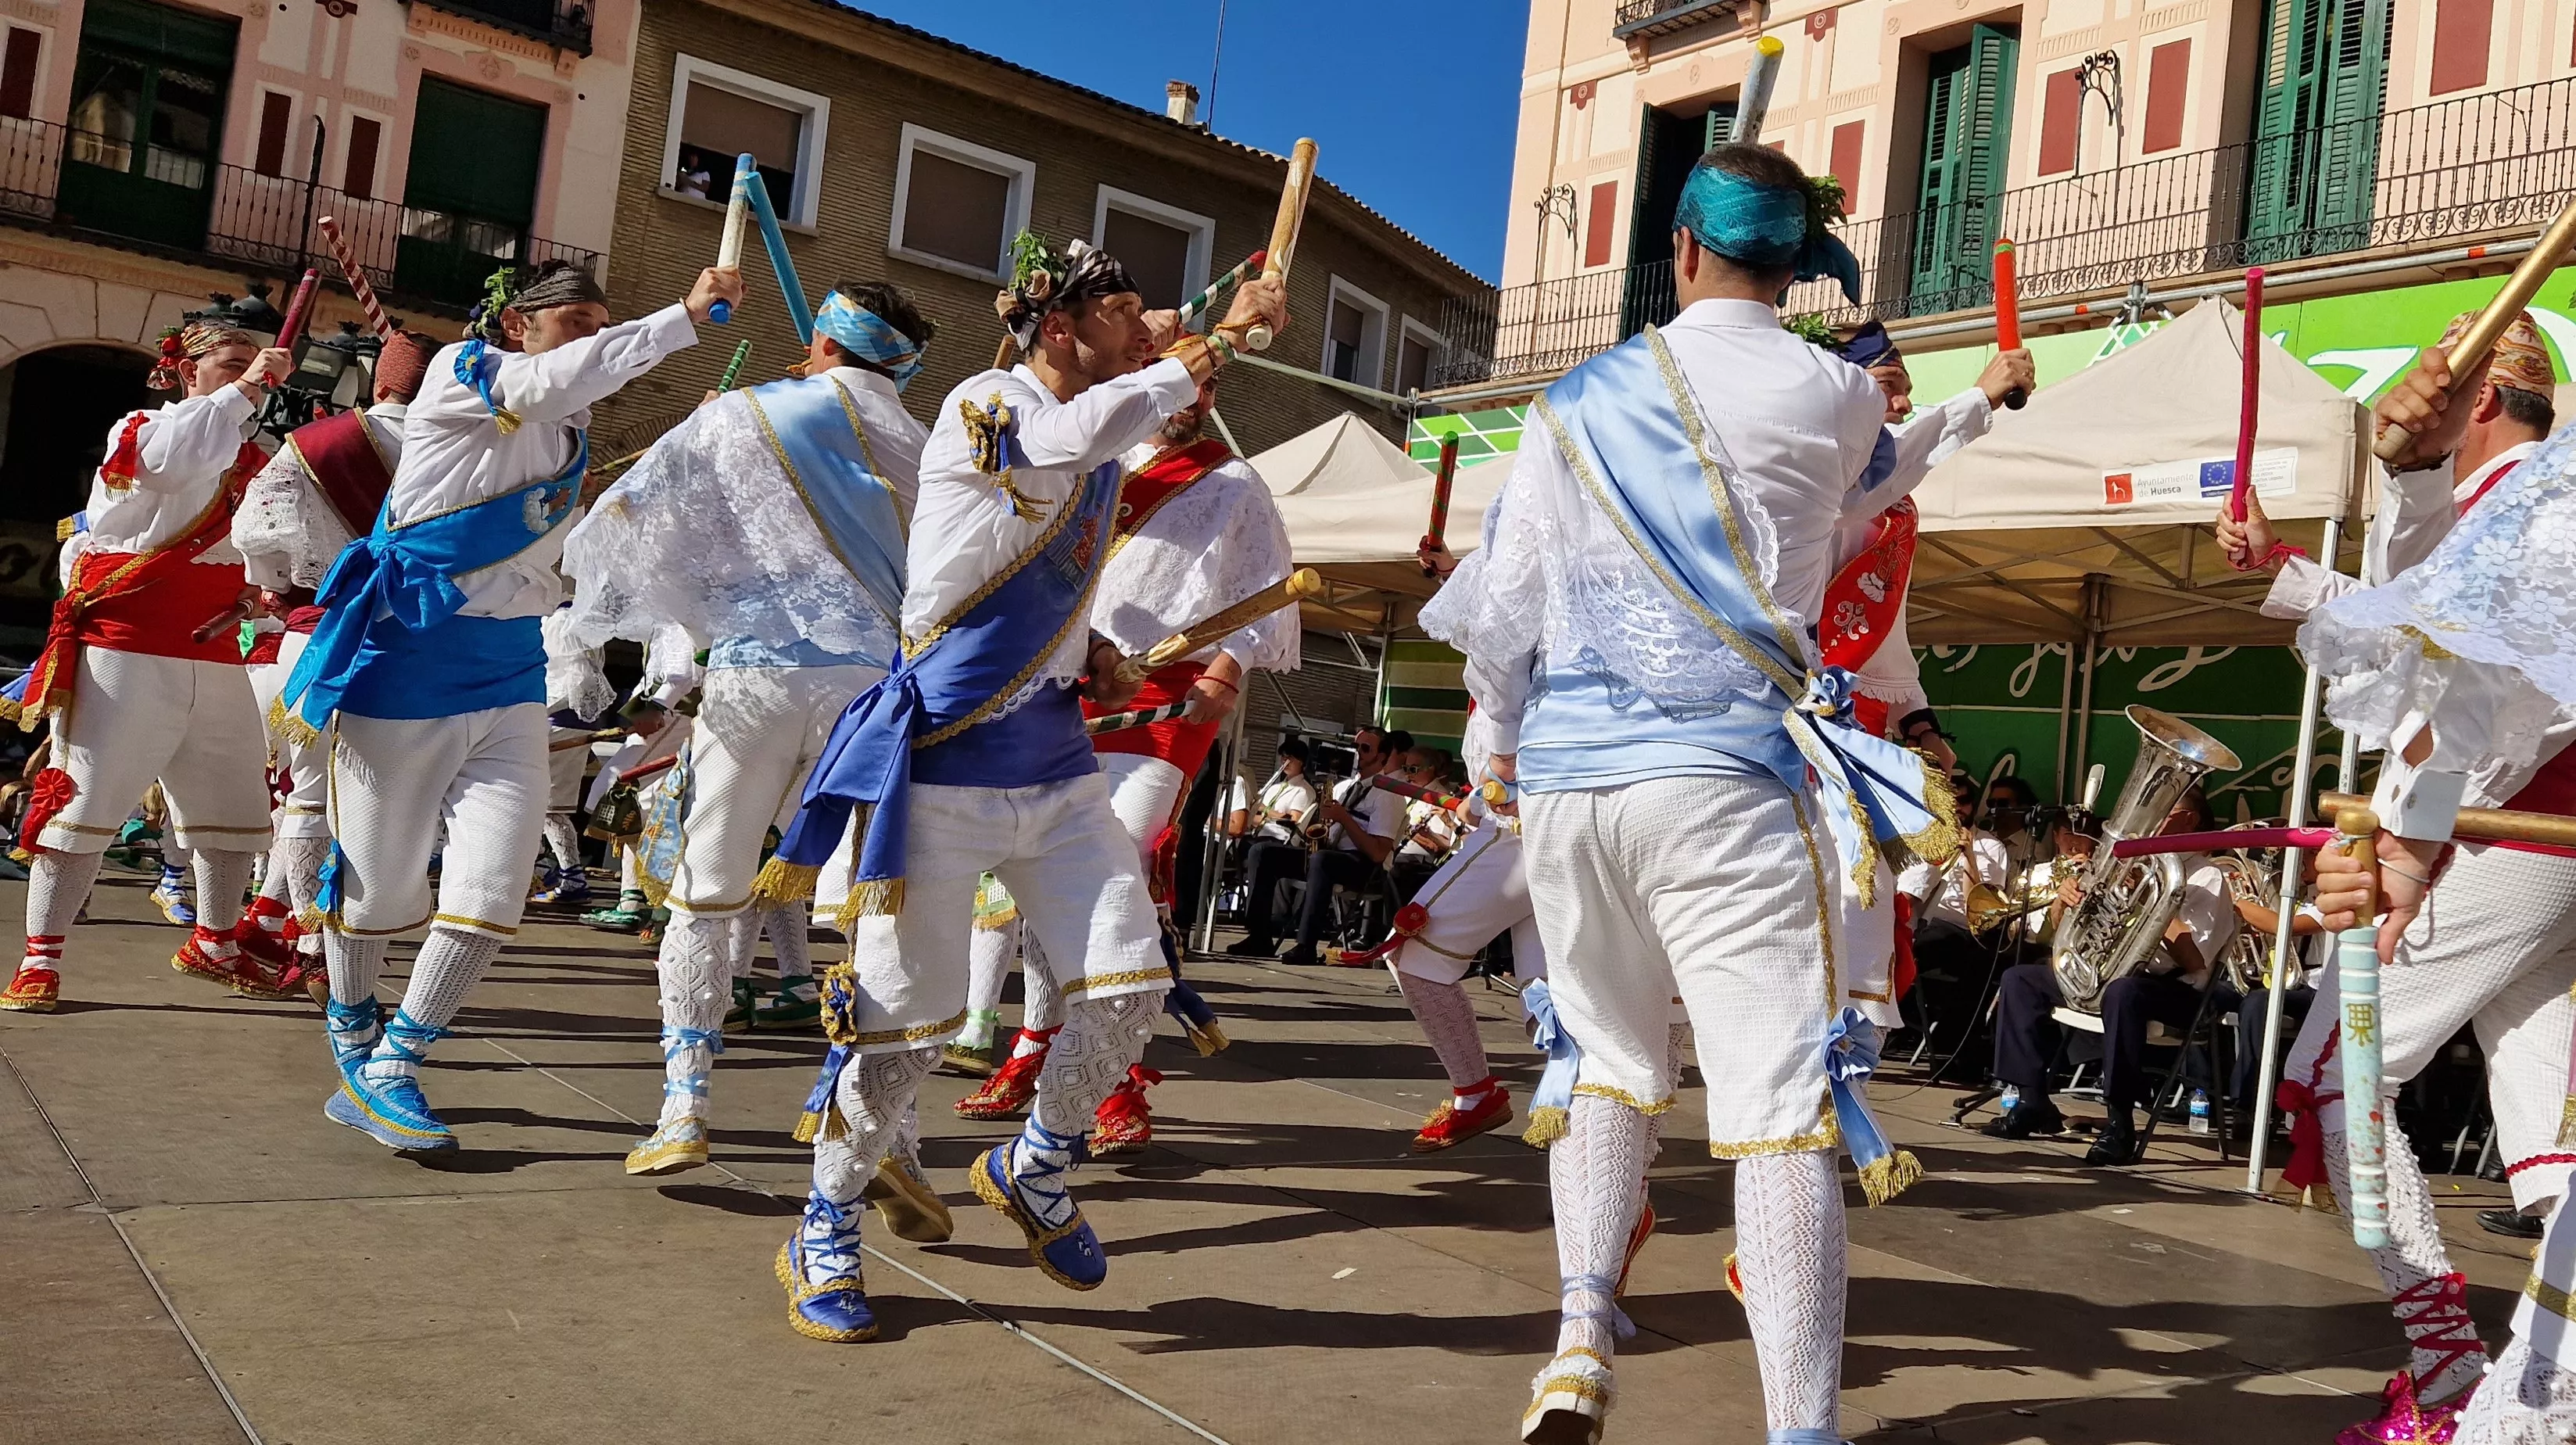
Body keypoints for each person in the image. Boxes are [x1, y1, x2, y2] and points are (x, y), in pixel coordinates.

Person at [1420, 142, 2026, 1445]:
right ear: (1798, 265)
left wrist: (1495, 758)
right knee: (1776, 1110)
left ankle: (1581, 1333)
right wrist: (1972, 404)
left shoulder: (1573, 402)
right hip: (1729, 786)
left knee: (1604, 1065)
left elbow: (1502, 608)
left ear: (1681, 250)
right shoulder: (1836, 398)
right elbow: (1873, 492)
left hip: (1575, 790)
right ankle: (1797, 1429)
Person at [761, 231, 1285, 1341]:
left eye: (1151, 319)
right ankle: (823, 1219)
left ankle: (1037, 1165)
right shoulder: (986, 407)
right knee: (901, 1035)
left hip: (1053, 766)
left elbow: (1014, 571)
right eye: (1124, 316)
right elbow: (1063, 442)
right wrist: (1217, 341)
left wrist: (1085, 647)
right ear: (1059, 328)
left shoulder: (1090, 455)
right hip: (944, 765)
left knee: (1130, 985)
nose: (1144, 331)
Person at [272, 257, 739, 1150]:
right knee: (376, 887)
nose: (594, 339)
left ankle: (397, 1061)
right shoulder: (466, 375)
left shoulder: (568, 438)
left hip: (511, 672)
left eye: (603, 323)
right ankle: (353, 1028)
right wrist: (679, 315)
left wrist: (701, 446)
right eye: (577, 321)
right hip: (406, 659)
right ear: (517, 325)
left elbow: (603, 530)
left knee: (495, 887)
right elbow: (558, 378)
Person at [2240, 322, 2576, 1438]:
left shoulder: (2530, 506)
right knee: (2545, 1133)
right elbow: (2420, 621)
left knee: (2337, 1074)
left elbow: (2477, 689)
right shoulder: (2519, 501)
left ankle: (2444, 1373)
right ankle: (2534, 1390)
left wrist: (2410, 847)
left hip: (2507, 837)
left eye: (2437, 378)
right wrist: (2285, 574)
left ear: (2477, 398)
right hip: (2535, 849)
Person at [561, 281, 933, 1178]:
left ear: (823, 342)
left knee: (706, 888)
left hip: (756, 676)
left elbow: (628, 521)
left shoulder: (743, 413)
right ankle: (891, 1128)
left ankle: (684, 1105)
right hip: (875, 689)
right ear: (903, 364)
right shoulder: (927, 443)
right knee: (878, 906)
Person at [979, 370, 1298, 1147]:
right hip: (1073, 685)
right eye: (1186, 383)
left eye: (1209, 387)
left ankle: (1115, 1078)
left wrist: (1231, 663)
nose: (1197, 401)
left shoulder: (1231, 479)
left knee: (1111, 866)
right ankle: (1037, 1041)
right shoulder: (1090, 467)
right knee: (1049, 873)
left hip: (1170, 696)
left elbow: (1267, 585)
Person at [2, 319, 296, 1013]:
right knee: (85, 801)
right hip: (126, 650)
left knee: (234, 809)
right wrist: (245, 390)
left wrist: (263, 592)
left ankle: (216, 940)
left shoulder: (258, 457)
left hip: (218, 651)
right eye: (229, 365)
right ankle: (39, 958)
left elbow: (273, 548)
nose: (250, 378)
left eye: (257, 368)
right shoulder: (143, 429)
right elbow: (174, 464)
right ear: (187, 373)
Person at [233, 328, 442, 994]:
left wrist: (275, 581)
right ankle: (328, 932)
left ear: (378, 382)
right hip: (415, 641)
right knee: (390, 801)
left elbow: (256, 532)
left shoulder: (318, 445)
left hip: (317, 633)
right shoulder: (463, 449)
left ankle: (311, 943)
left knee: (308, 797)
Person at [1982, 784, 2236, 1164]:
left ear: (2190, 820)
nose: (2156, 818)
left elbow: (2196, 961)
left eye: (2167, 809)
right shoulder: (2136, 865)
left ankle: (2120, 1123)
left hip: (2174, 991)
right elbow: (2073, 933)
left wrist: (2157, 904)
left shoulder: (2207, 877)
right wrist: (2068, 901)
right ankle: (2033, 1100)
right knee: (2020, 979)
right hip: (2111, 974)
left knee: (2124, 994)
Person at [1227, 726, 1406, 965]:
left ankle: (1306, 945)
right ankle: (1259, 936)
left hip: (1364, 866)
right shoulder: (1344, 788)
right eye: (1356, 746)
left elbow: (1378, 852)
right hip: (1331, 856)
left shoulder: (1388, 795)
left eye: (1365, 748)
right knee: (1263, 851)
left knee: (1323, 861)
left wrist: (1344, 818)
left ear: (1382, 756)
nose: (1358, 752)